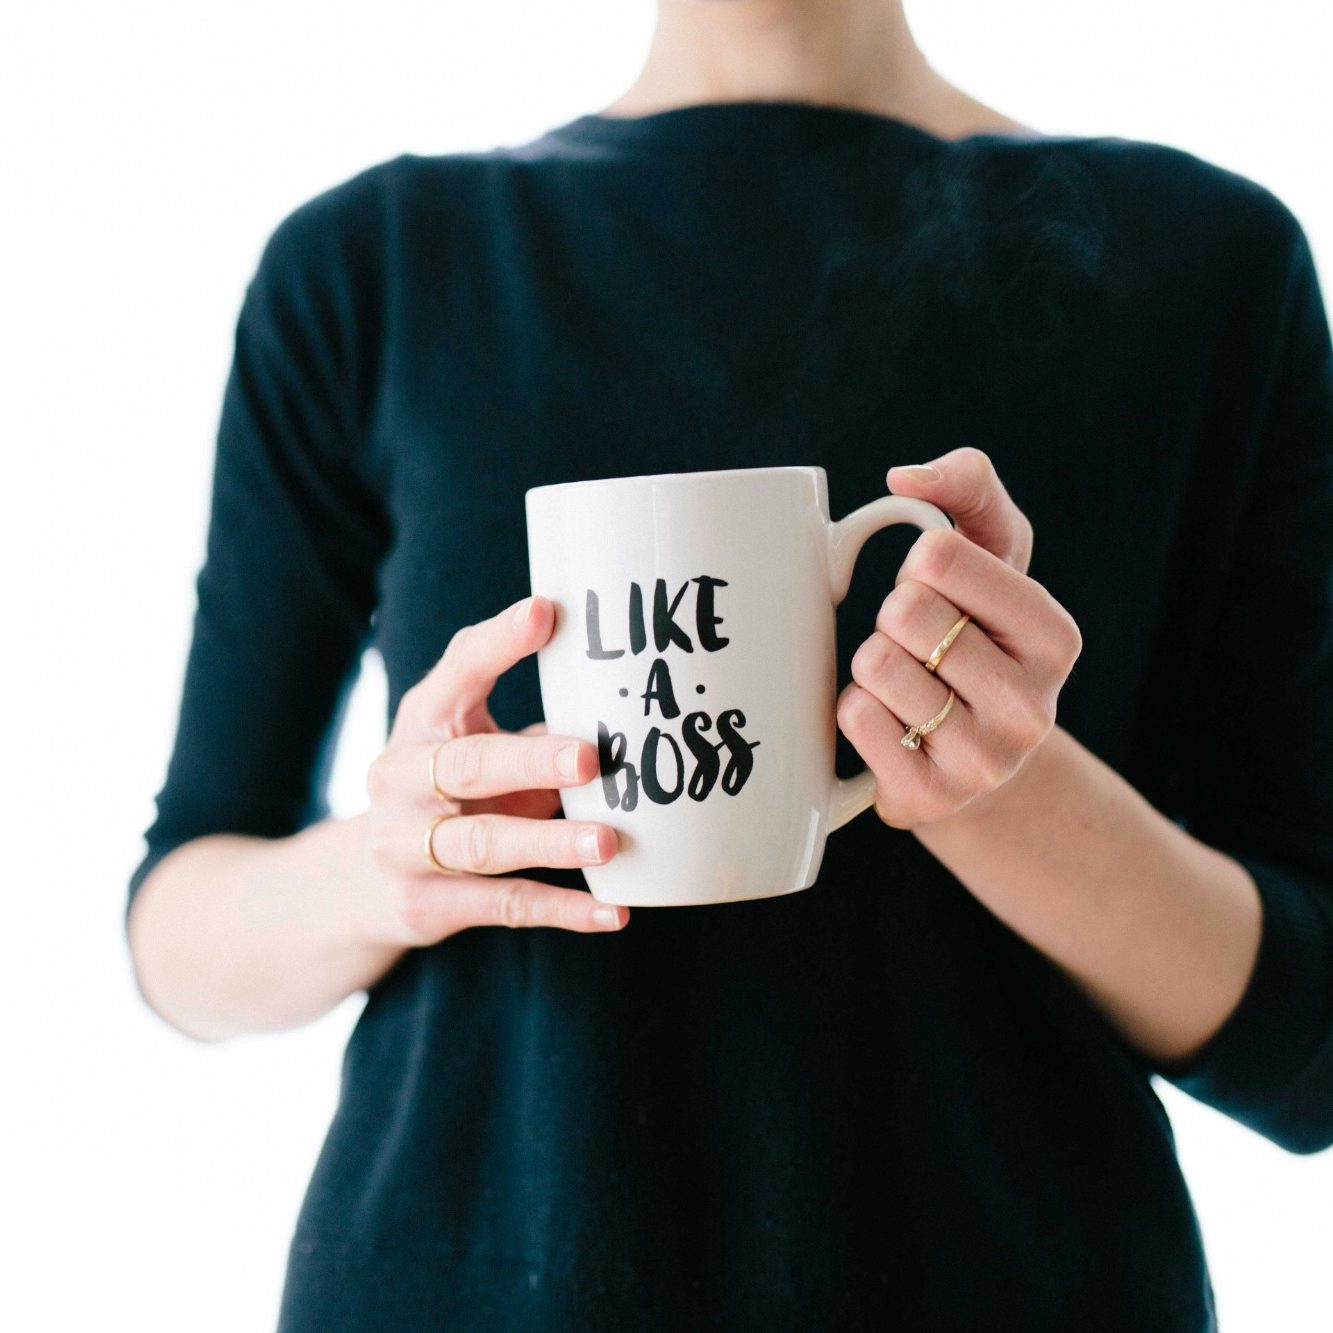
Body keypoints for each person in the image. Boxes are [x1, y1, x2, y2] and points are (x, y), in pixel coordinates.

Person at [125, 0, 1333, 1328]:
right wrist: (392, 863)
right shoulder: (375, 267)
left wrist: (1006, 793)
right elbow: (179, 928)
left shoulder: (1204, 266)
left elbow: (1308, 1045)